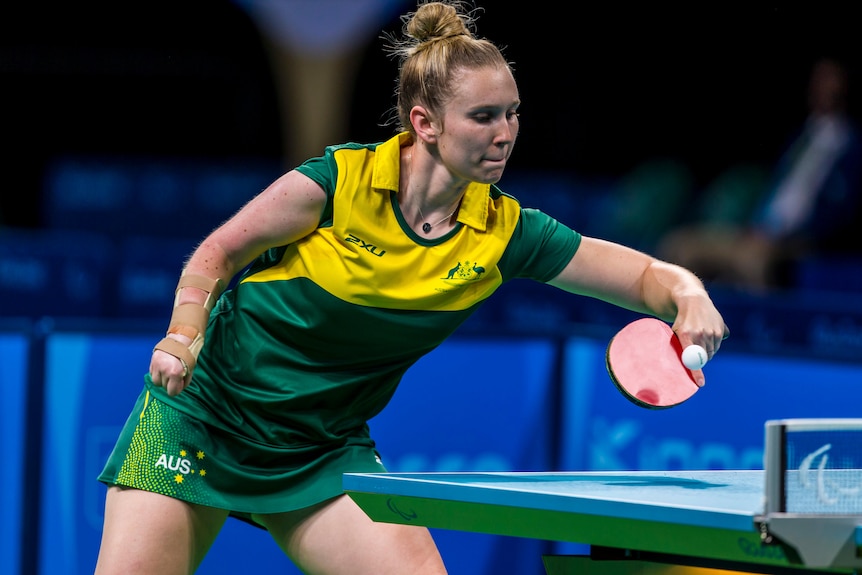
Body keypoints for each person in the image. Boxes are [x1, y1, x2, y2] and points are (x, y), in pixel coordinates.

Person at [94, 2, 729, 574]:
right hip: (202, 417)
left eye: (512, 113)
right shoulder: (339, 182)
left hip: (321, 449)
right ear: (424, 123)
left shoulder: (504, 233)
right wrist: (183, 333)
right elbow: (219, 252)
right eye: (483, 117)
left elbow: (645, 277)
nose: (505, 133)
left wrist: (689, 294)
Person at [657, 57, 862, 291]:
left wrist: (788, 237)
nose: (821, 87)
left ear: (845, 86)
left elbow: (841, 214)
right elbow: (776, 192)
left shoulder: (851, 146)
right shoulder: (799, 138)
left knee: (751, 261)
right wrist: (756, 225)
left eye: (830, 79)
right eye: (818, 79)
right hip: (757, 230)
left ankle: (759, 325)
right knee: (680, 245)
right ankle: (679, 322)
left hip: (798, 241)